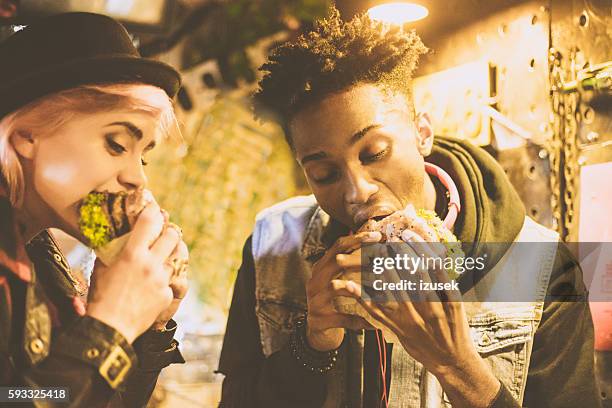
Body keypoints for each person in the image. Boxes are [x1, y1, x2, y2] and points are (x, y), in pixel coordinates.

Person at [217, 9, 602, 408]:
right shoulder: (272, 248)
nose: (357, 192)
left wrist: (458, 368)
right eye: (325, 174)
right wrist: (311, 344)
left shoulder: (541, 268)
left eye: (375, 153)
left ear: (422, 133)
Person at [0, 12, 188, 407]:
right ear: (25, 136)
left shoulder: (38, 255)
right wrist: (109, 326)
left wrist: (144, 326)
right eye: (117, 144)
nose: (138, 180)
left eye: (144, 157)